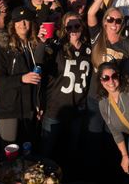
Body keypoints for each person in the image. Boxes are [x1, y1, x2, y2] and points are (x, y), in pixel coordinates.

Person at [38, 12, 91, 168]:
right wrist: (42, 44)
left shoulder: (89, 49)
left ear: (82, 26)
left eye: (77, 26)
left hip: (77, 110)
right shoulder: (56, 47)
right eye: (69, 26)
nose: (73, 30)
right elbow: (39, 65)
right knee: (46, 152)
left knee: (71, 152)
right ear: (63, 28)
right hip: (56, 109)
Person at [0, 7, 40, 147]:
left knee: (28, 151)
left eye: (25, 20)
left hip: (29, 109)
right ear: (12, 24)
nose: (22, 24)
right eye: (18, 21)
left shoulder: (34, 45)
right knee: (10, 150)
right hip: (10, 109)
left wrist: (38, 104)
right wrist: (21, 79)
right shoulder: (3, 47)